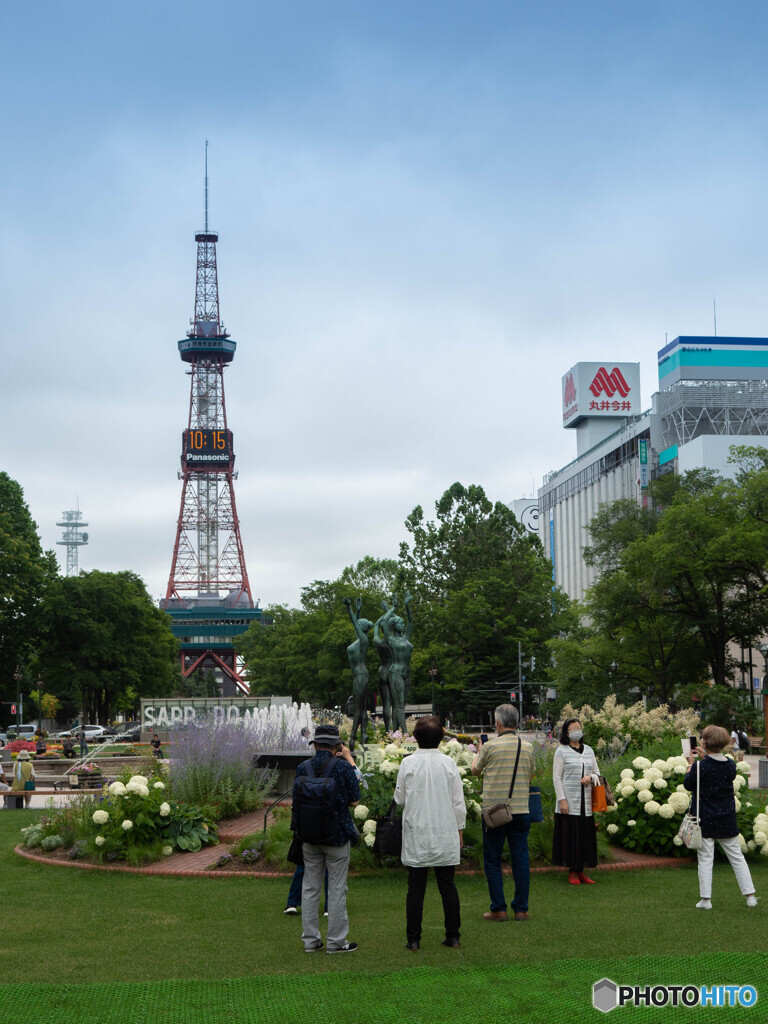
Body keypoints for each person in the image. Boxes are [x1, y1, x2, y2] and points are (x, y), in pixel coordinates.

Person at [394, 715, 465, 950]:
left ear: (415, 738)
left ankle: (413, 939)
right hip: (445, 829)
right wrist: (459, 830)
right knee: (447, 885)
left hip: (418, 829)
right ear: (442, 738)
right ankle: (453, 935)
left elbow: (400, 798)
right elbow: (458, 802)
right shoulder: (448, 763)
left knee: (416, 887)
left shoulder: (408, 763)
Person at [292, 724, 360, 953]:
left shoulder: (303, 767)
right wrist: (349, 760)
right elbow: (355, 801)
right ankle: (336, 942)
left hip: (309, 836)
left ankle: (310, 941)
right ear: (337, 745)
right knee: (337, 888)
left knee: (310, 887)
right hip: (337, 834)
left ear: (316, 744)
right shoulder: (341, 767)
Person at [683, 724, 758, 909]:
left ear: (705, 742)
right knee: (737, 857)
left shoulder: (700, 766)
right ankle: (750, 897)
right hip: (726, 817)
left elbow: (688, 784)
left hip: (705, 818)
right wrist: (704, 760)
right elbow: (717, 771)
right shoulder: (731, 764)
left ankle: (706, 900)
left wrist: (690, 764)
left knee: (706, 858)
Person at [471, 704, 534, 921]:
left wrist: (480, 750)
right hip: (521, 809)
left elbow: (475, 770)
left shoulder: (490, 746)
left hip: (495, 812)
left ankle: (498, 908)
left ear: (498, 723)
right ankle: (521, 909)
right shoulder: (527, 747)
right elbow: (530, 775)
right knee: (520, 859)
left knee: (492, 859)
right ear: (517, 722)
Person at [552, 717, 600, 885]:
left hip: (585, 803)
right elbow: (556, 778)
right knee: (570, 836)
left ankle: (581, 871)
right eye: (573, 728)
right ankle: (572, 871)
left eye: (579, 728)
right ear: (567, 732)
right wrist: (562, 800)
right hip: (569, 801)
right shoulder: (561, 751)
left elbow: (597, 773)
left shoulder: (589, 750)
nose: (577, 731)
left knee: (584, 836)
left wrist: (590, 777)